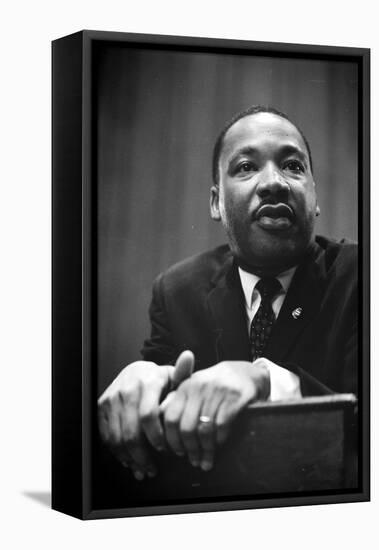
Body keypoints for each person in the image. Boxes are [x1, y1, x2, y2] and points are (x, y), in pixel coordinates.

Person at [98, 105, 357, 483]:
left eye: (293, 166)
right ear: (216, 202)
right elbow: (159, 386)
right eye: (246, 167)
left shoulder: (360, 275)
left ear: (315, 198)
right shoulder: (177, 291)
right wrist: (141, 379)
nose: (274, 182)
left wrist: (263, 379)